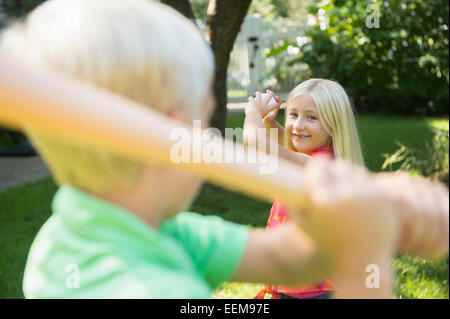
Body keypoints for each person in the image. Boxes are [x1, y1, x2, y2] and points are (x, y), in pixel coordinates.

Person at [0, 0, 447, 299]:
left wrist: (361, 216)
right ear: (177, 130)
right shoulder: (152, 289)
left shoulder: (139, 231)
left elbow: (283, 256)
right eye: (208, 115)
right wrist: (365, 263)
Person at [245, 80, 364, 299]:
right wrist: (270, 122)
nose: (299, 125)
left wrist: (252, 111)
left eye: (311, 117)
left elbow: (255, 143)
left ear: (333, 125)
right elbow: (288, 143)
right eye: (293, 114)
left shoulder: (318, 167)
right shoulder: (317, 158)